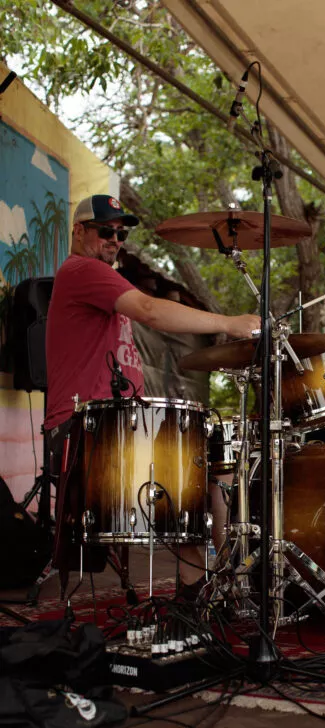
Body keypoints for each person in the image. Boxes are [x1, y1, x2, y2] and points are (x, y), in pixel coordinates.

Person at [44, 194, 260, 589]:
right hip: (85, 430)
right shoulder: (82, 270)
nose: (115, 240)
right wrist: (229, 323)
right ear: (78, 231)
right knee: (185, 493)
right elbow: (151, 311)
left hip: (118, 425)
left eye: (121, 233)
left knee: (213, 466)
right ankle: (215, 590)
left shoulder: (103, 277)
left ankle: (223, 585)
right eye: (106, 231)